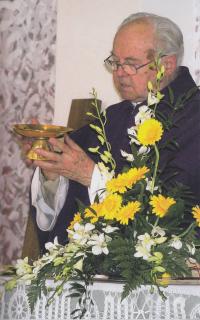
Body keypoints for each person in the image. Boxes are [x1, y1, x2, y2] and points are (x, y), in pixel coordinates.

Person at [24, 12, 200, 252]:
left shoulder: (194, 117)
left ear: (167, 65)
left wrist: (90, 176)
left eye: (130, 63)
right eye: (115, 62)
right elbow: (66, 189)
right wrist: (52, 168)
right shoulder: (112, 118)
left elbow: (173, 212)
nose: (119, 73)